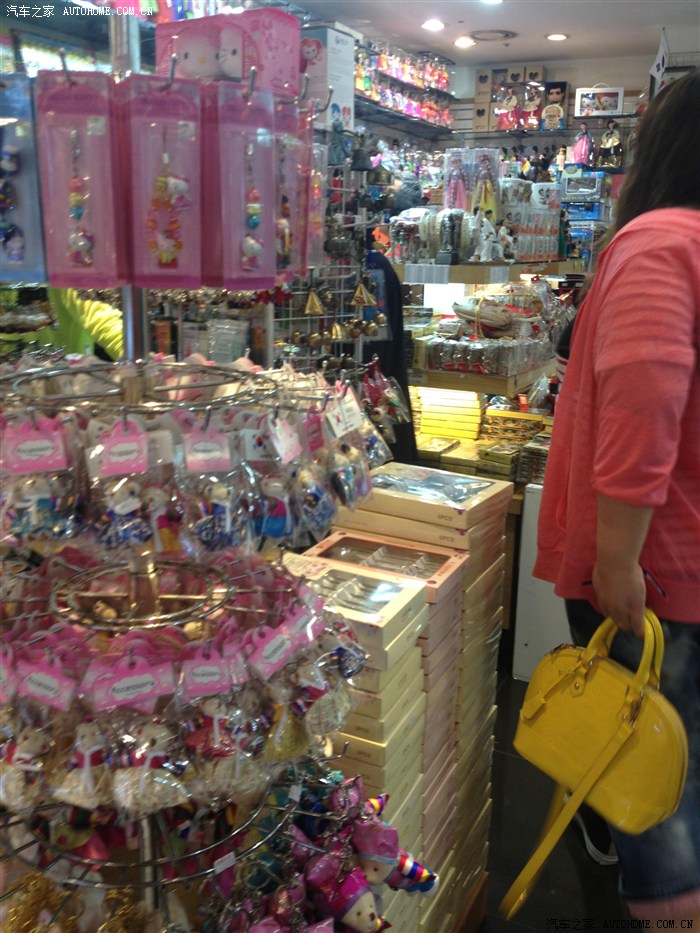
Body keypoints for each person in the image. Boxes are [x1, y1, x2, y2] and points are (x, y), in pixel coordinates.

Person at [534, 70, 700, 922]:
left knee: (652, 782)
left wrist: (616, 558)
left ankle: (667, 910)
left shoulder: (661, 241)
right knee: (677, 763)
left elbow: (646, 394)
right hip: (682, 561)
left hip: (657, 569)